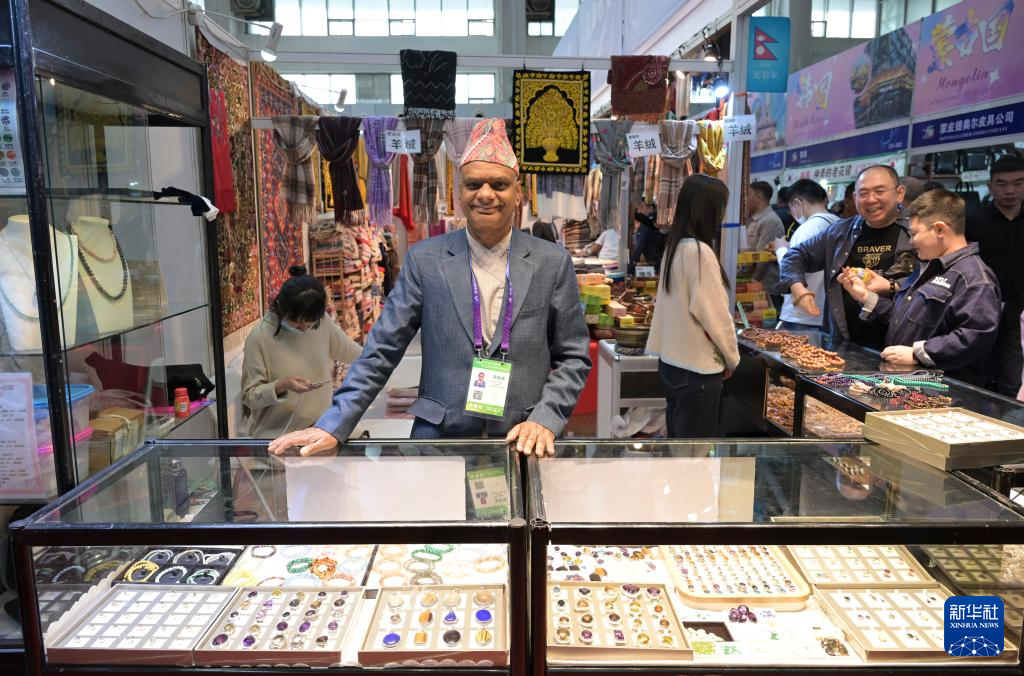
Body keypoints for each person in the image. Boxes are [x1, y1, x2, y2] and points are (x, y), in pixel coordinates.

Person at [268, 118, 591, 458]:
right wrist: (333, 424)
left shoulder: (551, 263)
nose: (485, 194)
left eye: (499, 184)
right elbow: (381, 350)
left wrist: (545, 417)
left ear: (518, 191)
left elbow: (573, 356)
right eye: (473, 184)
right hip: (440, 442)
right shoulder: (426, 261)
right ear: (459, 192)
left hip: (523, 441)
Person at [840, 189, 999, 385]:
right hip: (906, 383)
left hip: (943, 390)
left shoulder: (974, 279)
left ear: (940, 230)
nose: (910, 241)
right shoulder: (926, 267)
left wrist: (919, 353)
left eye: (914, 233)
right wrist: (865, 296)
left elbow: (976, 336)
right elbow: (899, 318)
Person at [778, 165, 917, 350]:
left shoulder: (917, 231)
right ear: (854, 197)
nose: (871, 199)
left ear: (899, 194)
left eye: (879, 191)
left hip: (899, 348)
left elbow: (930, 285)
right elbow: (795, 255)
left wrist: (891, 286)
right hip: (843, 344)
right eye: (864, 193)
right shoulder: (840, 231)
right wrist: (798, 289)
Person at [646, 175, 740, 438]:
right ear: (709, 210)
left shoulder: (675, 246)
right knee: (694, 451)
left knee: (678, 444)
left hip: (672, 362)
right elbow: (714, 315)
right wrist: (731, 357)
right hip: (697, 368)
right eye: (721, 207)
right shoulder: (699, 252)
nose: (722, 214)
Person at [241, 265, 364, 438]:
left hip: (320, 432)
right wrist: (281, 385)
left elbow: (354, 353)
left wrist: (383, 359)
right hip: (277, 438)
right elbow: (249, 397)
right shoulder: (259, 338)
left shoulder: (321, 322)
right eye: (298, 324)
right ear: (281, 308)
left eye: (310, 324)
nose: (305, 329)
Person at [966, 155, 1024, 396]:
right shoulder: (973, 221)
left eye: (1018, 183)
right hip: (979, 310)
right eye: (1002, 184)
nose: (1010, 190)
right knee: (973, 377)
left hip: (1019, 312)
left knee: (1012, 380)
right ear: (990, 186)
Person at [770, 179, 839, 330]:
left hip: (802, 314)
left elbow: (791, 269)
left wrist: (780, 249)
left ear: (797, 203)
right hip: (828, 312)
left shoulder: (806, 229)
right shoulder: (839, 224)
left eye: (790, 208)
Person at [746, 181, 786, 312]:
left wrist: (753, 282)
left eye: (748, 194)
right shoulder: (753, 219)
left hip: (764, 287)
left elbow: (762, 258)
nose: (745, 199)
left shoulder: (770, 221)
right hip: (754, 284)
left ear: (758, 197)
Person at [629, 201, 665, 273]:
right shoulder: (656, 222)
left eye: (641, 207)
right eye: (638, 209)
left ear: (650, 208)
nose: (639, 211)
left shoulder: (647, 224)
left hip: (654, 265)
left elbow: (640, 245)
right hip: (658, 264)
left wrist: (630, 265)